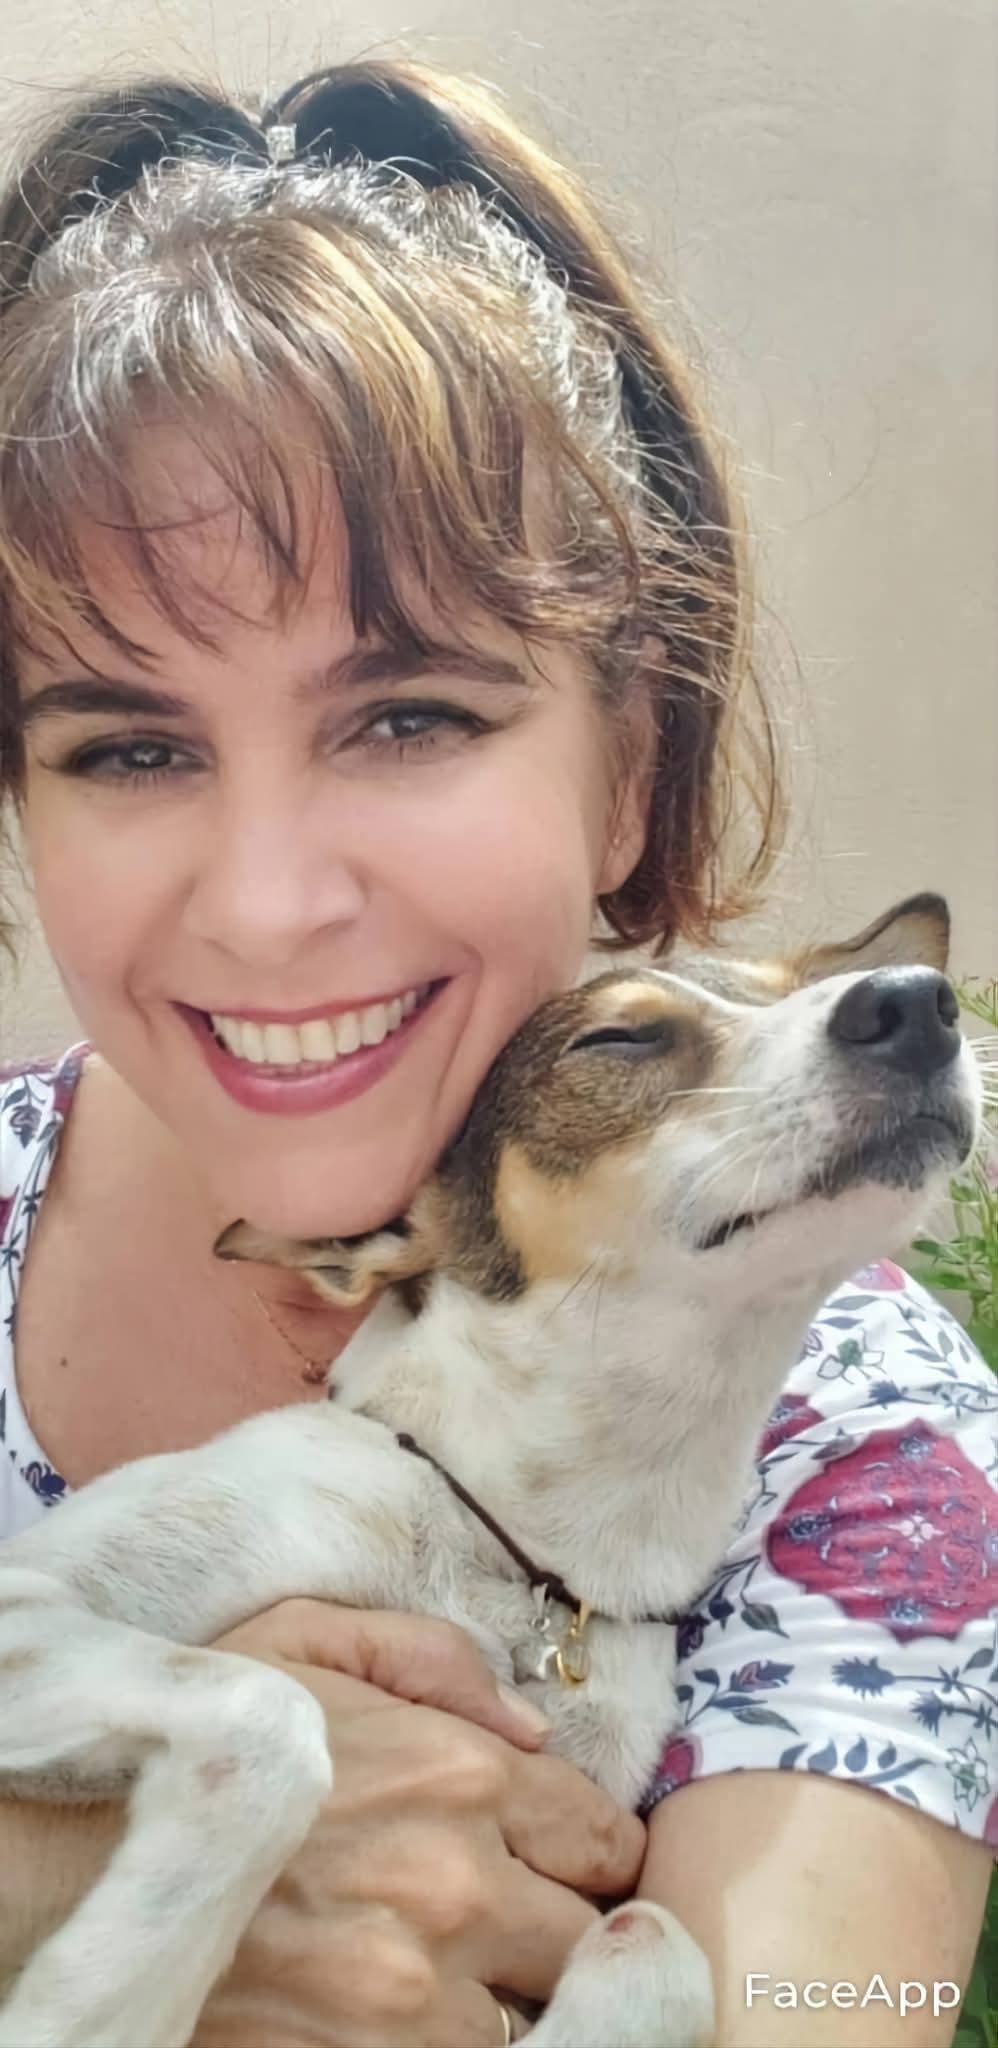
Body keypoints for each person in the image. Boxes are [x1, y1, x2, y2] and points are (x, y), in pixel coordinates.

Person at [0, 57, 993, 2048]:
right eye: (130, 745)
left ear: (627, 766)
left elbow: (836, 1998)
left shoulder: (872, 1457)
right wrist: (48, 1884)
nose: (267, 903)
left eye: (409, 717)